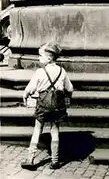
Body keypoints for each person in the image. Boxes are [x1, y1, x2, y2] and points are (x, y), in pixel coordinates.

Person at [21, 42, 73, 171]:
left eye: (41, 56)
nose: (38, 58)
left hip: (43, 104)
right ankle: (55, 160)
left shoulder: (40, 71)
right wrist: (66, 98)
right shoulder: (62, 71)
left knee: (37, 129)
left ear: (49, 58)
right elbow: (70, 88)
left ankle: (30, 158)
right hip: (57, 105)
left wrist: (25, 95)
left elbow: (30, 88)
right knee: (54, 130)